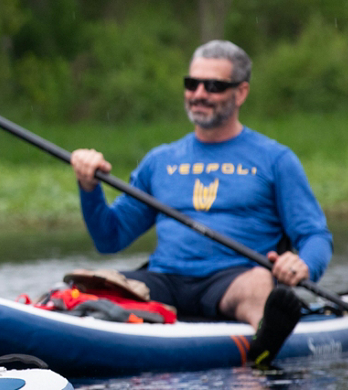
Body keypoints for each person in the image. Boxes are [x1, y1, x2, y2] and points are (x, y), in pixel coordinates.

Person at [70, 39, 332, 366]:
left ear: (241, 92)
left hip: (233, 282)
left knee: (258, 284)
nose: (199, 94)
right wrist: (89, 187)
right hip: (164, 280)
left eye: (214, 86)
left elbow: (316, 236)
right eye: (192, 83)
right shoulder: (160, 161)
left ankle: (265, 341)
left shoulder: (275, 160)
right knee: (85, 283)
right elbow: (110, 238)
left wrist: (304, 264)